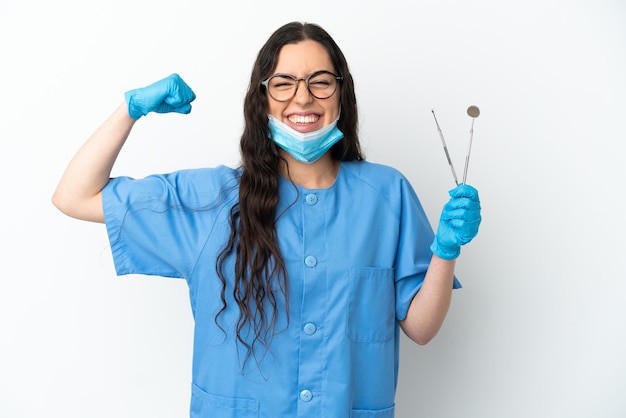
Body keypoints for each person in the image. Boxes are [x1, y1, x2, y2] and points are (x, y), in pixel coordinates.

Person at [52, 21, 481, 418]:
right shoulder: (211, 201)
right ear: (263, 98)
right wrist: (130, 109)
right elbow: (75, 196)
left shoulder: (386, 195)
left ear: (341, 93)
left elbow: (421, 329)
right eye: (284, 83)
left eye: (321, 81)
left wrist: (446, 250)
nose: (303, 97)